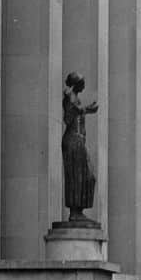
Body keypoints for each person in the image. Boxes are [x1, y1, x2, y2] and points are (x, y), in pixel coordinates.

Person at [60, 72, 98, 220]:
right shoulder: (69, 98)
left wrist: (86, 109)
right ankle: (75, 213)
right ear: (76, 84)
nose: (84, 85)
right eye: (82, 82)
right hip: (72, 141)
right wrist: (87, 109)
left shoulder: (76, 99)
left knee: (88, 176)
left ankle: (79, 211)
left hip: (79, 141)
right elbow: (68, 118)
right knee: (77, 176)